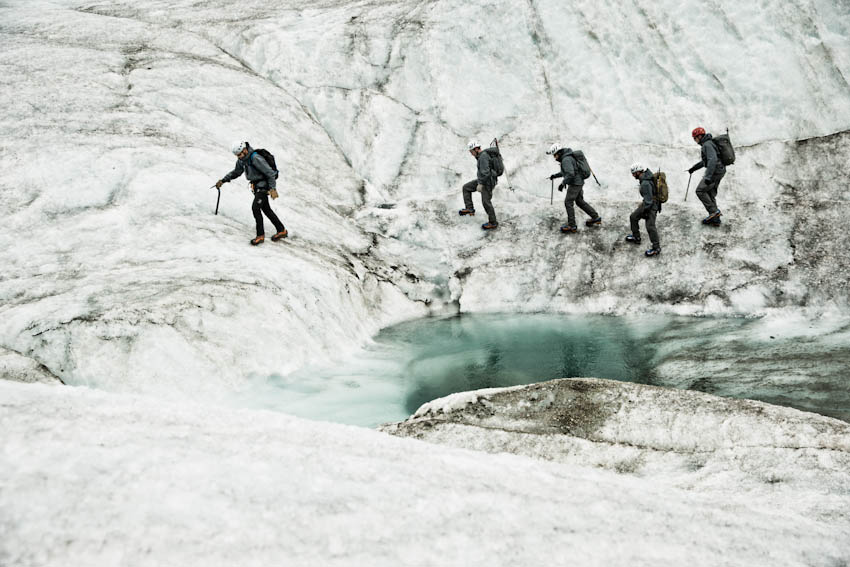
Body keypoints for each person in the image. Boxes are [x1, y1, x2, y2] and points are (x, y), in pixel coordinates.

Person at [215, 141, 287, 245]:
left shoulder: (255, 158)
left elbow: (270, 173)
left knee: (256, 208)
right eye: (237, 155)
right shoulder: (242, 161)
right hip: (257, 186)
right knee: (266, 209)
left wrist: (272, 189)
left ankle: (260, 235)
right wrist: (223, 180)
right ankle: (281, 230)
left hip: (263, 186)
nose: (238, 157)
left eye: (239, 154)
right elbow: (236, 172)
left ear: (244, 150)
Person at [546, 143, 601, 233]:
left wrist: (563, 183)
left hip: (575, 183)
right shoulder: (567, 158)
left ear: (558, 153)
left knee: (568, 202)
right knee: (579, 201)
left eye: (554, 155)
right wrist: (555, 176)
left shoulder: (566, 160)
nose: (554, 158)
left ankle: (572, 225)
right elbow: (566, 172)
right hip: (578, 182)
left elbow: (570, 174)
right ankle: (595, 217)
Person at [688, 127, 726, 225]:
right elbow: (707, 160)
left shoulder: (707, 145)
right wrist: (694, 168)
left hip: (715, 172)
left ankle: (714, 212)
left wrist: (708, 177)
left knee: (700, 190)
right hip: (720, 170)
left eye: (695, 138)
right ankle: (716, 219)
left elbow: (712, 160)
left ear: (699, 136)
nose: (694, 140)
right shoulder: (708, 144)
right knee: (710, 193)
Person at [458, 140, 499, 230]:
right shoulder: (481, 156)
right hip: (484, 180)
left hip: (487, 182)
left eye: (471, 151)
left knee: (486, 202)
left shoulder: (483, 156)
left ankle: (493, 222)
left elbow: (485, 173)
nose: (471, 154)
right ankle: (469, 209)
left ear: (476, 149)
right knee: (466, 187)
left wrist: (480, 184)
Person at [625, 163, 661, 257]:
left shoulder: (645, 183)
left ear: (638, 172)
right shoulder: (646, 178)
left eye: (634, 173)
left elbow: (649, 201)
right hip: (649, 203)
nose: (633, 175)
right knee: (633, 217)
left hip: (651, 206)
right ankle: (636, 237)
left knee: (650, 226)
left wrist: (645, 211)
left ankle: (656, 248)